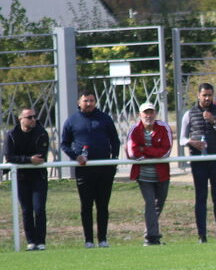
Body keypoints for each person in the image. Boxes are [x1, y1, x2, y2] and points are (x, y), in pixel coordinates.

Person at [60, 90, 120, 248]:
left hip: (104, 169)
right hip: (84, 170)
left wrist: (113, 161)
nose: (89, 103)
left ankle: (103, 240)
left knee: (103, 206)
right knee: (86, 206)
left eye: (92, 100)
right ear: (79, 102)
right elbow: (64, 144)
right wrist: (76, 156)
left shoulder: (104, 118)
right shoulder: (72, 120)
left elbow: (115, 140)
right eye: (86, 101)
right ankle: (88, 241)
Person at [180, 83, 216, 243]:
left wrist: (214, 122)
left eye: (210, 95)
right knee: (201, 197)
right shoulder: (189, 114)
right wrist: (191, 142)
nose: (207, 98)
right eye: (204, 95)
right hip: (198, 161)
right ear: (198, 95)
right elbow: (181, 139)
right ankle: (202, 235)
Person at [126, 103, 172, 245]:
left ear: (155, 113)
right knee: (150, 204)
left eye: (151, 112)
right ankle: (152, 237)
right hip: (143, 175)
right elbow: (132, 153)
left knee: (159, 205)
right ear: (140, 115)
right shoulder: (134, 130)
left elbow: (166, 151)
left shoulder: (163, 127)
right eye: (146, 113)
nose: (149, 115)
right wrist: (153, 152)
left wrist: (145, 150)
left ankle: (150, 234)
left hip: (162, 174)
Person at [5, 107, 49, 250]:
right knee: (26, 210)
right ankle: (31, 242)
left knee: (39, 209)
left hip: (39, 176)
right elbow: (9, 157)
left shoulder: (41, 132)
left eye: (34, 117)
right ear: (21, 119)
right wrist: (29, 159)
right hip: (21, 177)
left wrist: (24, 159)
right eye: (29, 117)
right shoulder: (12, 134)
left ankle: (41, 242)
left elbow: (41, 157)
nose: (33, 120)